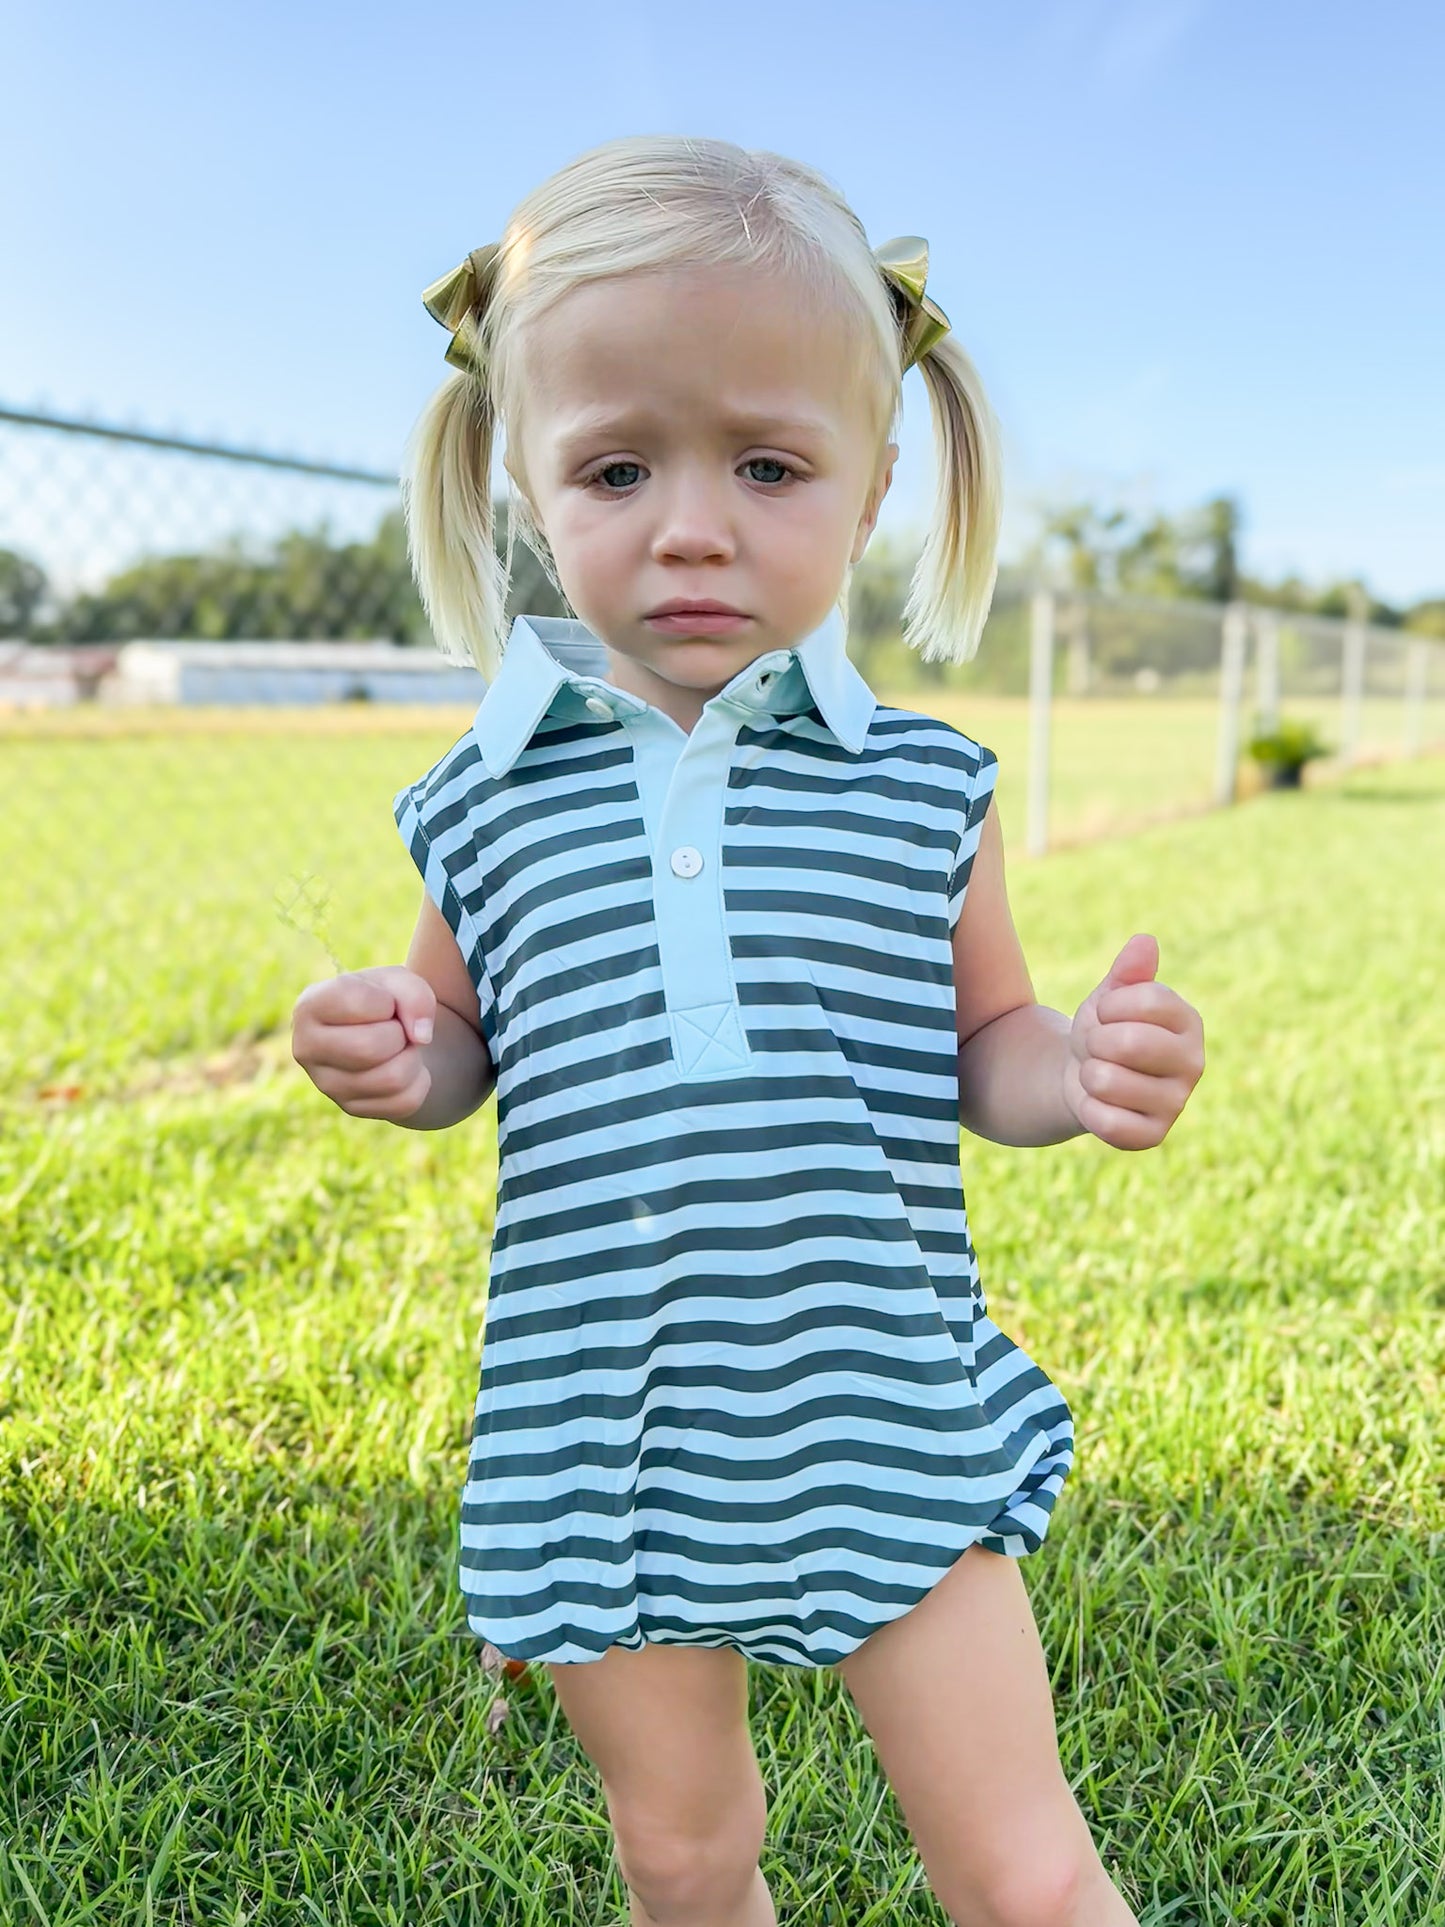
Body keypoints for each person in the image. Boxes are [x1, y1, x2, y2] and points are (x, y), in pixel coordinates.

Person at [291, 135, 1204, 1927]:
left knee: (1022, 1871)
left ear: (868, 492)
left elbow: (987, 1044)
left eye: (768, 466)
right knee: (683, 1855)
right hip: (601, 1422)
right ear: (527, 486)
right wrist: (402, 1053)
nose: (692, 525)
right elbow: (463, 1037)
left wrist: (1079, 1066)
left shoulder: (919, 786)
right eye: (616, 467)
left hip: (877, 1396)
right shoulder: (485, 800)